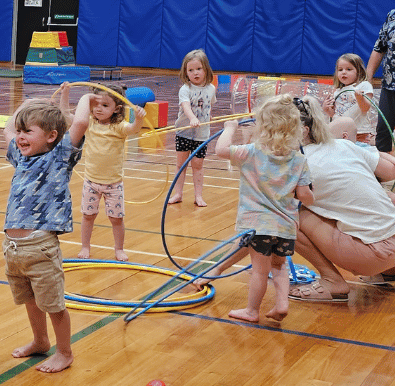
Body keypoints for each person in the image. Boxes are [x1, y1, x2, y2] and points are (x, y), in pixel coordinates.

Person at [197, 97, 395, 300]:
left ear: (302, 131)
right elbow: (390, 173)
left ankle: (332, 281)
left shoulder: (292, 166)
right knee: (386, 197)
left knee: (283, 214)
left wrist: (217, 268)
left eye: (270, 129)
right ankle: (390, 271)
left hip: (372, 255)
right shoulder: (344, 145)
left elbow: (261, 226)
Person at [2, 94, 86, 373]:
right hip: (13, 248)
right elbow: (7, 128)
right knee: (30, 299)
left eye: (28, 132)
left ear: (51, 136)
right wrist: (26, 106)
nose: (20, 137)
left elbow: (82, 122)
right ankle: (40, 341)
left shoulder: (59, 158)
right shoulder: (19, 157)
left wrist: (85, 95)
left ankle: (64, 352)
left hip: (40, 246)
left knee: (53, 304)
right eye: (20, 131)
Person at [214, 96, 313, 323]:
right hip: (286, 226)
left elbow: (221, 149)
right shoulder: (299, 160)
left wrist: (229, 128)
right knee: (278, 266)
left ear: (263, 127)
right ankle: (282, 304)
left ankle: (251, 311)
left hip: (258, 225)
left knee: (259, 271)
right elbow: (306, 196)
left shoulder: (251, 152)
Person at [75, 85, 146, 262]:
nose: (98, 108)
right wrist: (66, 93)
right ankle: (85, 246)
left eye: (105, 105)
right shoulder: (89, 123)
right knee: (87, 216)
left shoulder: (119, 127)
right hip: (91, 182)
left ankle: (119, 249)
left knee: (116, 219)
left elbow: (134, 129)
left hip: (113, 184)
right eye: (96, 104)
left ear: (117, 109)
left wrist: (138, 119)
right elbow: (69, 117)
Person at [168, 49, 216, 206]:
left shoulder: (211, 89)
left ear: (206, 69)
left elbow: (209, 106)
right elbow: (186, 107)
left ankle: (198, 196)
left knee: (198, 165)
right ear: (185, 72)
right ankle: (178, 194)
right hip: (184, 132)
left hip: (201, 135)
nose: (195, 73)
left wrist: (208, 118)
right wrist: (192, 118)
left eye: (199, 69)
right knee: (181, 165)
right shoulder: (185, 89)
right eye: (191, 70)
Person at [325, 53, 375, 143]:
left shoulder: (364, 86)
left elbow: (365, 108)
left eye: (349, 69)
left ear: (359, 71)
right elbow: (335, 115)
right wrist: (327, 109)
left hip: (359, 133)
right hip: (339, 132)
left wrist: (359, 98)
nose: (344, 72)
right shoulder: (337, 91)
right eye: (340, 70)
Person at [366, 9, 395, 153]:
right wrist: (368, 76)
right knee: (383, 130)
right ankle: (383, 173)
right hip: (390, 86)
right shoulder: (392, 15)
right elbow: (379, 47)